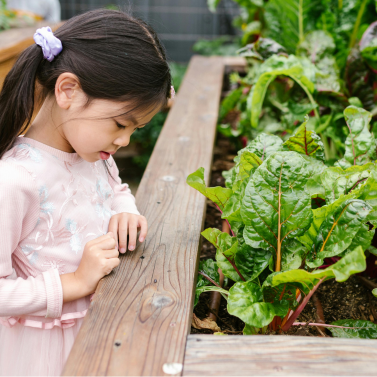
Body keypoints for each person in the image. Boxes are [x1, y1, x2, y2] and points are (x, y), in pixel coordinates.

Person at [0, 9, 173, 376]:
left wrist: (123, 209)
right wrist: (75, 282)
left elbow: (114, 189)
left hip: (98, 326)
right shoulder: (15, 182)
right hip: (42, 351)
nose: (124, 141)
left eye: (135, 130)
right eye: (121, 124)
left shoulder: (90, 153)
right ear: (68, 90)